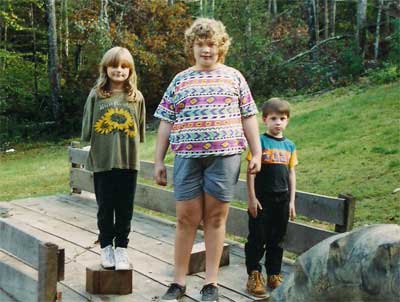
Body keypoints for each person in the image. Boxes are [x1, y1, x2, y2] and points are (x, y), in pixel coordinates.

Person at [153, 18, 262, 302]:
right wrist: (159, 161)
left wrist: (257, 151)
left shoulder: (234, 77)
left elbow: (249, 116)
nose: (206, 50)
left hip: (225, 158)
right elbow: (165, 122)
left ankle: (210, 283)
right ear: (192, 46)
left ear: (221, 47)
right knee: (185, 219)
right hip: (187, 158)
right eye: (200, 44)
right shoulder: (180, 80)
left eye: (211, 44)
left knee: (215, 219)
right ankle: (177, 282)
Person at [81, 46, 145, 271]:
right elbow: (88, 123)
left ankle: (122, 249)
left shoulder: (136, 97)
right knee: (105, 206)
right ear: (106, 68)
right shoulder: (97, 95)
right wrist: (86, 138)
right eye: (114, 66)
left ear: (130, 70)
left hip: (128, 160)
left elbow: (140, 128)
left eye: (124, 67)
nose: (119, 70)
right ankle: (106, 246)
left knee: (125, 207)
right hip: (103, 160)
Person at [244, 98, 297, 298]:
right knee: (257, 238)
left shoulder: (290, 146)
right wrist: (251, 198)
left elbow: (291, 174)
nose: (278, 122)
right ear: (264, 119)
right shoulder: (259, 143)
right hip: (262, 200)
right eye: (273, 118)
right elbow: (250, 172)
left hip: (282, 200)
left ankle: (273, 274)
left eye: (282, 118)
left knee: (277, 239)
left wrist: (291, 201)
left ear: (287, 121)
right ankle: (254, 275)